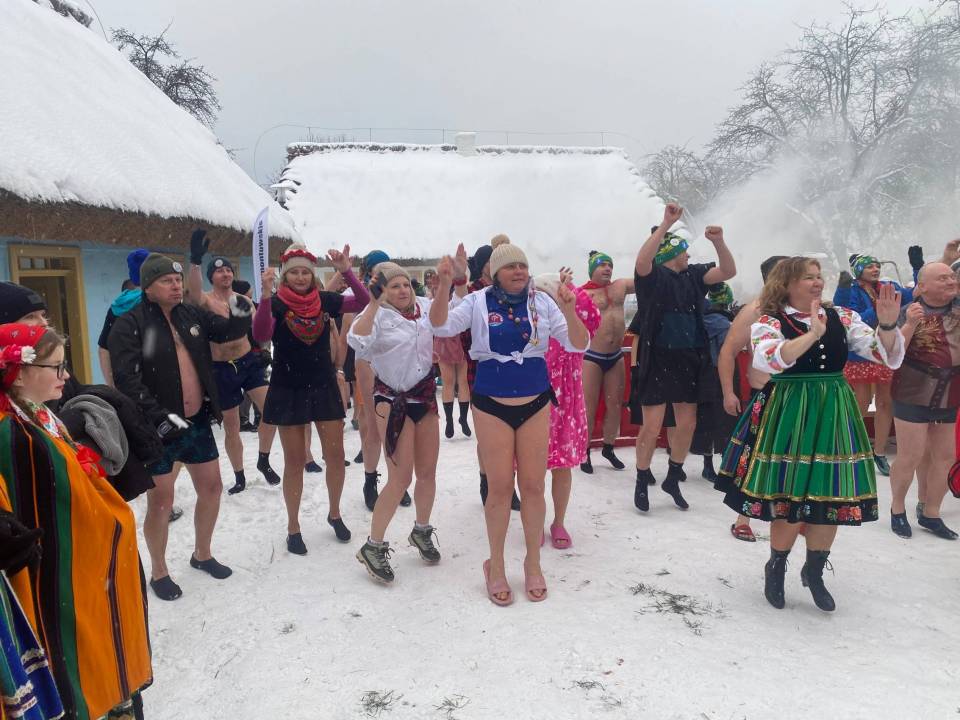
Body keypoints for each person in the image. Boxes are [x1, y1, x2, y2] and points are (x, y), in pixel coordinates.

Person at [720, 257, 903, 612]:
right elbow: (770, 359)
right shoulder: (770, 321)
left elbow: (883, 353)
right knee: (789, 497)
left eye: (819, 276)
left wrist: (887, 325)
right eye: (809, 277)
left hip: (833, 407)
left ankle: (815, 571)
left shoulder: (841, 316)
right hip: (791, 409)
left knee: (830, 496)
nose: (818, 282)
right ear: (787, 284)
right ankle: (776, 566)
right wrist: (812, 335)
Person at [0, 324, 152, 718]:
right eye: (56, 367)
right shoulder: (13, 433)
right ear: (19, 373)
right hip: (57, 580)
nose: (66, 375)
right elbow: (56, 506)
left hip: (78, 574)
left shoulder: (35, 415)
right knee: (71, 665)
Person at [431, 243, 589, 605]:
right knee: (500, 488)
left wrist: (570, 311)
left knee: (533, 486)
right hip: (491, 403)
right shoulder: (478, 301)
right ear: (495, 273)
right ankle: (497, 565)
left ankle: (533, 562)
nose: (519, 271)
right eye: (510, 266)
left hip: (535, 401)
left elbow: (578, 344)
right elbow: (440, 325)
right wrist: (444, 285)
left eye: (523, 265)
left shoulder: (542, 302)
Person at [109, 252, 252, 600]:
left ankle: (202, 554)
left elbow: (226, 333)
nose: (175, 286)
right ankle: (159, 570)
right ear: (148, 287)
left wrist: (241, 312)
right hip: (156, 427)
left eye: (177, 280)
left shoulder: (190, 314)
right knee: (161, 501)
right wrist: (159, 416)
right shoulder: (130, 324)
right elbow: (127, 379)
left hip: (196, 421)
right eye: (166, 281)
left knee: (212, 489)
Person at [349, 255, 468, 582]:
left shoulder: (423, 307)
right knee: (400, 478)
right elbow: (356, 340)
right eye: (394, 286)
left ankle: (421, 530)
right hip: (392, 400)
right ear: (383, 290)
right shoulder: (376, 315)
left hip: (424, 396)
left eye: (405, 284)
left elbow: (453, 315)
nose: (402, 290)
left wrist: (451, 281)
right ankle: (373, 545)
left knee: (427, 473)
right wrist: (373, 304)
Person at [253, 243, 370, 554]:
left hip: (323, 387)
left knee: (336, 456)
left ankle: (335, 513)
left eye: (306, 272)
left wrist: (346, 272)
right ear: (285, 276)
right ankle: (293, 526)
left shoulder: (325, 300)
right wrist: (265, 297)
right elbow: (261, 334)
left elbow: (364, 301)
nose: (301, 277)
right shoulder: (276, 303)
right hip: (288, 389)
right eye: (295, 273)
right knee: (294, 462)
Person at [628, 204, 736, 512]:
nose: (688, 254)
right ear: (672, 253)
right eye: (684, 250)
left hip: (690, 358)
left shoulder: (695, 275)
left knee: (687, 423)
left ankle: (673, 476)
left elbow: (728, 271)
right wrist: (665, 225)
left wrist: (719, 242)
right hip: (657, 358)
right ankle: (641, 477)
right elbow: (642, 261)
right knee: (652, 426)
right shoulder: (652, 277)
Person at [186, 229, 280, 494]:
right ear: (211, 277)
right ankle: (239, 475)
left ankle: (263, 459)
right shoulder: (205, 300)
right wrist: (195, 261)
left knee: (271, 410)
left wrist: (263, 349)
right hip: (222, 369)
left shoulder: (244, 301)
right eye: (219, 271)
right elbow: (193, 291)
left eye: (228, 270)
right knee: (232, 427)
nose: (225, 274)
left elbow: (261, 329)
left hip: (248, 361)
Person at [715, 255, 788, 541]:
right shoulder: (754, 311)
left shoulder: (803, 312)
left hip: (798, 397)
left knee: (793, 458)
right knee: (754, 458)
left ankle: (793, 514)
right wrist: (728, 392)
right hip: (766, 395)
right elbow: (727, 352)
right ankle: (742, 518)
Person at [887, 261, 960, 539]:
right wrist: (910, 324)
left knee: (945, 456)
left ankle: (931, 512)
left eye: (952, 277)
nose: (951, 281)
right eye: (943, 278)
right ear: (923, 286)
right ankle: (897, 508)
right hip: (913, 390)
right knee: (911, 455)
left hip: (951, 391)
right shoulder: (908, 311)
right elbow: (893, 353)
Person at [833, 251, 917, 476]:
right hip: (860, 353)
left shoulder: (888, 286)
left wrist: (918, 267)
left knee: (885, 403)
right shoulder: (851, 289)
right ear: (859, 270)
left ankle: (879, 452)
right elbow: (847, 317)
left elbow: (915, 293)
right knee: (860, 403)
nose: (876, 269)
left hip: (885, 351)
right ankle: (850, 446)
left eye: (877, 265)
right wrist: (881, 310)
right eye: (870, 266)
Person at [537, 271, 602, 549]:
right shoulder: (530, 326)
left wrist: (569, 293)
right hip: (535, 404)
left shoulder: (573, 326)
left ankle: (558, 521)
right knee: (532, 471)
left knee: (562, 468)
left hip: (566, 407)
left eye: (547, 296)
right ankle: (535, 521)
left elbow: (590, 322)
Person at [461, 243, 521, 510]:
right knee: (488, 437)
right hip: (482, 370)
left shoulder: (514, 291)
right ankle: (487, 480)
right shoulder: (474, 293)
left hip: (515, 371)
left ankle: (509, 484)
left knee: (515, 434)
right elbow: (462, 333)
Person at [352, 250, 411, 511]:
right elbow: (350, 331)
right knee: (373, 428)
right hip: (366, 362)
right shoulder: (362, 296)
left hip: (395, 366)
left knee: (396, 426)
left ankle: (396, 480)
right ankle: (370, 479)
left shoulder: (402, 300)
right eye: (376, 273)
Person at [579, 251, 635, 473]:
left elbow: (646, 278)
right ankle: (584, 451)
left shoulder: (620, 286)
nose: (607, 269)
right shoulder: (583, 293)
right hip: (592, 356)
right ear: (592, 269)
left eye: (609, 265)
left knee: (615, 405)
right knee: (589, 407)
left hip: (615, 356)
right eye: (602, 265)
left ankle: (608, 448)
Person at [690, 282, 738, 481]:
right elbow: (729, 353)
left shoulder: (700, 320)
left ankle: (707, 465)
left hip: (703, 374)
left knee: (706, 420)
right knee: (726, 420)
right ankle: (727, 463)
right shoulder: (725, 325)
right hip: (722, 375)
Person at [97, 248, 150, 387]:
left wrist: (111, 385)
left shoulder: (117, 307)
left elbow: (103, 349)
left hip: (126, 379)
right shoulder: (154, 303)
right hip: (152, 379)